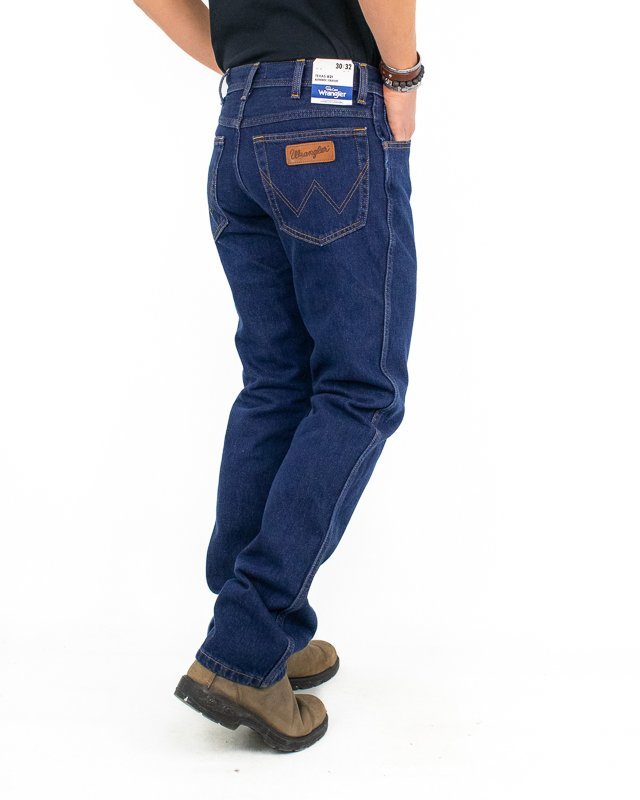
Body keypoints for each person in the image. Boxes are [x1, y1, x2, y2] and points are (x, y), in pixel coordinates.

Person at [133, 0, 422, 752]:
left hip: (241, 123)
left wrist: (246, 61)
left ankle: (256, 625)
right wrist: (403, 77)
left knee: (278, 382)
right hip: (331, 115)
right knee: (361, 391)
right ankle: (247, 641)